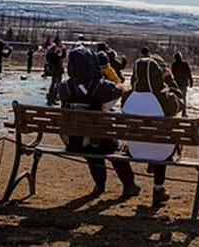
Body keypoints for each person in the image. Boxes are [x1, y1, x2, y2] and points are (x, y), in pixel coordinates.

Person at [58, 46, 139, 198]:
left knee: (92, 147)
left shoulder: (64, 87)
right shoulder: (100, 87)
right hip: (99, 141)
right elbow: (121, 89)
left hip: (74, 141)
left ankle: (99, 184)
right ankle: (130, 185)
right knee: (115, 148)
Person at [122, 55, 183, 207]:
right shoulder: (162, 97)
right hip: (161, 149)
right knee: (161, 142)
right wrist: (170, 81)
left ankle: (152, 171)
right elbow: (180, 102)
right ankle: (158, 189)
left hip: (135, 148)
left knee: (155, 139)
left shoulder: (127, 97)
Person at [44, 36, 67, 106]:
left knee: (53, 85)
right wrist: (63, 49)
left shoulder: (49, 55)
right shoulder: (54, 56)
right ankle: (52, 99)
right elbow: (63, 56)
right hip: (57, 72)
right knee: (56, 86)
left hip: (54, 72)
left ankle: (51, 99)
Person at [171, 52, 193, 116]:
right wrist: (191, 81)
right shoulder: (185, 64)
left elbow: (173, 73)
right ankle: (184, 112)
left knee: (176, 97)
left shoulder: (174, 65)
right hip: (183, 83)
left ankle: (176, 111)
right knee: (183, 97)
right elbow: (189, 73)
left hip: (177, 83)